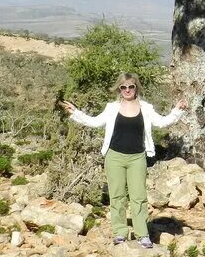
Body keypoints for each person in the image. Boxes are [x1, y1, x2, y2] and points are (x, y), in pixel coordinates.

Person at [59, 72, 187, 249]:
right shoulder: (112, 108)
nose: (127, 90)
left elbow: (162, 122)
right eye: (123, 87)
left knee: (139, 196)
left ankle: (142, 234)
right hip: (114, 157)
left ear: (136, 88)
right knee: (117, 195)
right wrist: (76, 113)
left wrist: (177, 111)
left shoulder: (146, 108)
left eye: (131, 86)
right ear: (119, 89)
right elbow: (95, 122)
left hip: (137, 157)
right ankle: (120, 232)